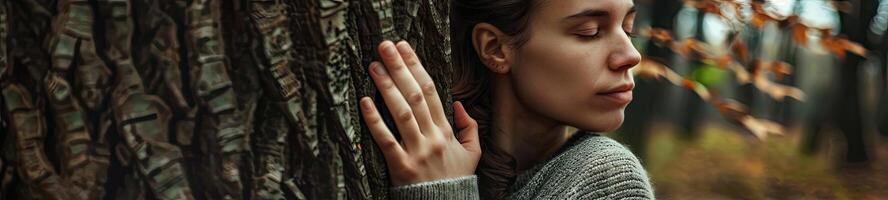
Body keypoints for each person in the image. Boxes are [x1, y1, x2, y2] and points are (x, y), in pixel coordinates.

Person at [357, 0, 654, 199]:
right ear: (495, 48)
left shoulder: (607, 178)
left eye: (628, 30)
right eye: (590, 32)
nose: (631, 55)